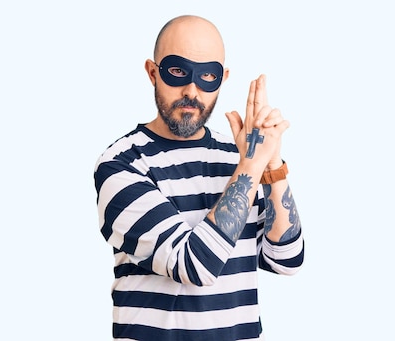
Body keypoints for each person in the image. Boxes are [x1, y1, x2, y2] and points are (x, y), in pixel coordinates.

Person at [93, 14, 304, 341]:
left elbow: (286, 259)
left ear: (222, 78)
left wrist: (272, 163)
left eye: (207, 75)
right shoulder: (121, 164)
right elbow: (193, 265)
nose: (192, 90)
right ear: (153, 72)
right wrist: (251, 165)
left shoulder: (239, 156)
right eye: (178, 71)